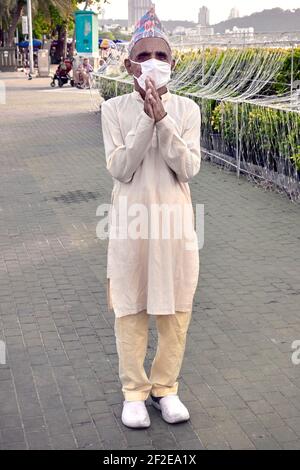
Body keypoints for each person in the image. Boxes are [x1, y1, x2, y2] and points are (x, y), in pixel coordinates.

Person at [101, 6, 201, 429]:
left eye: (161, 56)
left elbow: (188, 167)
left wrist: (165, 123)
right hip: (131, 226)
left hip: (175, 227)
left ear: (172, 63)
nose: (153, 64)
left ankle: (166, 388)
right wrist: (147, 120)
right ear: (128, 65)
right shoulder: (114, 110)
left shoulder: (187, 109)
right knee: (131, 308)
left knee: (175, 311)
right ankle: (133, 393)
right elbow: (121, 168)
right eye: (144, 57)